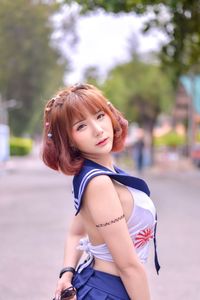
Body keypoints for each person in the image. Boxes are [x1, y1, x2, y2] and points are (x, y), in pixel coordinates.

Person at [42, 84, 160, 300]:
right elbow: (128, 267)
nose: (98, 129)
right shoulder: (98, 182)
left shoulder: (96, 174)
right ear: (69, 140)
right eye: (81, 126)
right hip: (109, 290)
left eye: (99, 116)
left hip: (102, 285)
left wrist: (67, 272)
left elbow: (77, 232)